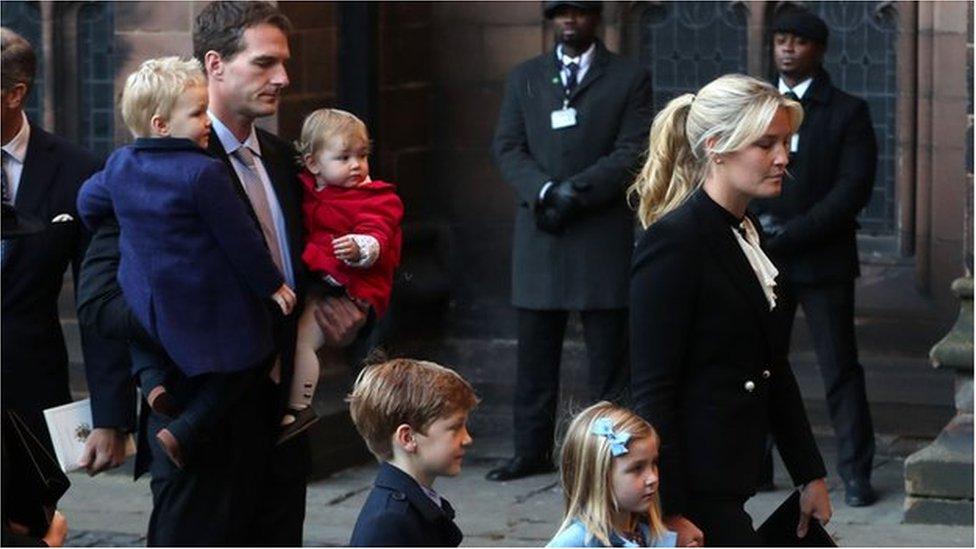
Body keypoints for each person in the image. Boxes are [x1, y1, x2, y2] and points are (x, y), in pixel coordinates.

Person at [75, 2, 366, 545]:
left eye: (283, 63)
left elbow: (307, 268)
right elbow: (98, 303)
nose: (283, 78)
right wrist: (115, 411)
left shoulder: (284, 161)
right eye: (264, 64)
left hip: (280, 430)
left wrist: (333, 309)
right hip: (195, 427)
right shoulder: (143, 171)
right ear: (214, 64)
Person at [629, 74, 832, 546]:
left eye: (785, 142)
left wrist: (809, 474)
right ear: (718, 146)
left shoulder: (745, 231)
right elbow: (653, 388)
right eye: (766, 144)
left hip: (734, 477)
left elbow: (771, 366)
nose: (783, 158)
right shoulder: (674, 243)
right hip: (696, 494)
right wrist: (669, 512)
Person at [76, 56, 297, 468]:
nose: (207, 122)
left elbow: (88, 202)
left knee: (147, 337)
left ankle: (155, 384)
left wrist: (122, 216)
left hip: (143, 295)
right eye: (197, 114)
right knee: (258, 349)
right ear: (162, 125)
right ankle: (186, 429)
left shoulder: (121, 163)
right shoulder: (203, 172)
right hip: (197, 300)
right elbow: (242, 241)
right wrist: (272, 285)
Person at [489, 0, 653, 481]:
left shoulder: (627, 77)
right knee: (535, 354)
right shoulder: (526, 77)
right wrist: (542, 190)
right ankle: (530, 449)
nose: (568, 22)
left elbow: (633, 149)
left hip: (599, 232)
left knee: (608, 358)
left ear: (595, 19)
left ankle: (609, 454)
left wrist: (575, 191)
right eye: (560, 13)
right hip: (541, 231)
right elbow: (507, 146)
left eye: (577, 13)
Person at [750, 8, 878, 507]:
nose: (787, 48)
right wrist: (762, 233)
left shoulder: (846, 110)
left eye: (799, 41)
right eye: (780, 39)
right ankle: (755, 466)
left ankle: (857, 472)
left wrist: (794, 233)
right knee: (758, 364)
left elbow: (852, 189)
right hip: (764, 260)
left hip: (823, 261)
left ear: (818, 50)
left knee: (840, 368)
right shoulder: (756, 107)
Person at [0, 27, 134, 474]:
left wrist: (110, 416)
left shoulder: (79, 172)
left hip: (30, 399)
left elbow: (99, 302)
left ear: (14, 94)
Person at [283, 108, 403, 443]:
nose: (356, 165)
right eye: (344, 157)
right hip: (319, 276)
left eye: (362, 156)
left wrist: (361, 248)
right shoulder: (310, 188)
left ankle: (298, 405)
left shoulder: (374, 195)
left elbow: (378, 233)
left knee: (304, 340)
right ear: (313, 163)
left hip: (349, 283)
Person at [347, 358, 479, 547]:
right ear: (408, 438)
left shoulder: (412, 505)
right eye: (455, 427)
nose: (467, 439)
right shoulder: (390, 522)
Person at [547, 401, 678, 548]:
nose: (653, 478)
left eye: (654, 463)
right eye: (637, 468)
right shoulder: (576, 542)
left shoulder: (647, 536)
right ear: (599, 477)